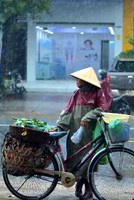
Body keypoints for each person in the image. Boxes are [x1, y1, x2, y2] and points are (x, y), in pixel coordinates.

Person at [53, 67, 109, 200]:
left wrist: (88, 117)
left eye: (79, 79)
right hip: (75, 133)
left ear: (86, 81)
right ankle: (79, 185)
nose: (76, 81)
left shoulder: (97, 93)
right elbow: (67, 112)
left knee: (89, 161)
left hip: (90, 134)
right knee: (76, 160)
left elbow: (103, 108)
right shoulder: (76, 94)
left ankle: (89, 189)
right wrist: (59, 127)